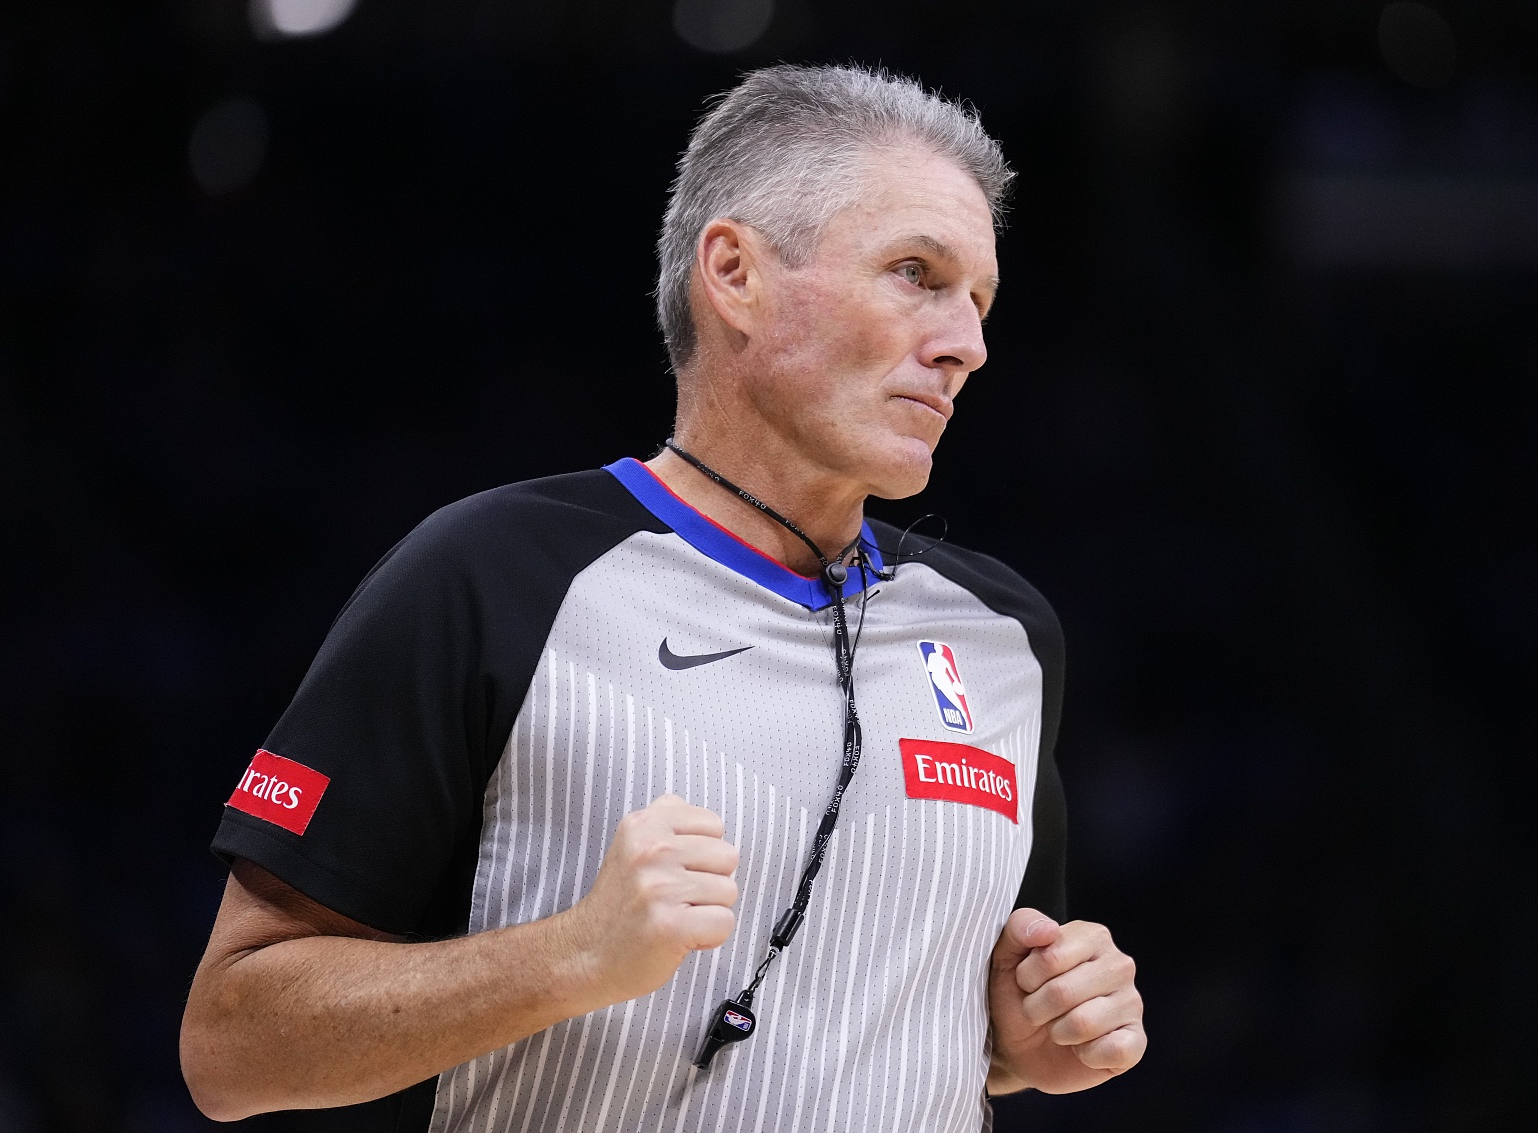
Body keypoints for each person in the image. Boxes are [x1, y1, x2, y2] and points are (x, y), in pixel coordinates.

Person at [181, 63, 1145, 1131]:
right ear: (734, 273)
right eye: (916, 273)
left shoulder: (1004, 637)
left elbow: (947, 1017)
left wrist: (1026, 1039)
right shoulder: (491, 577)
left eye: (979, 301)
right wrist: (567, 956)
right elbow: (230, 1044)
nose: (966, 344)